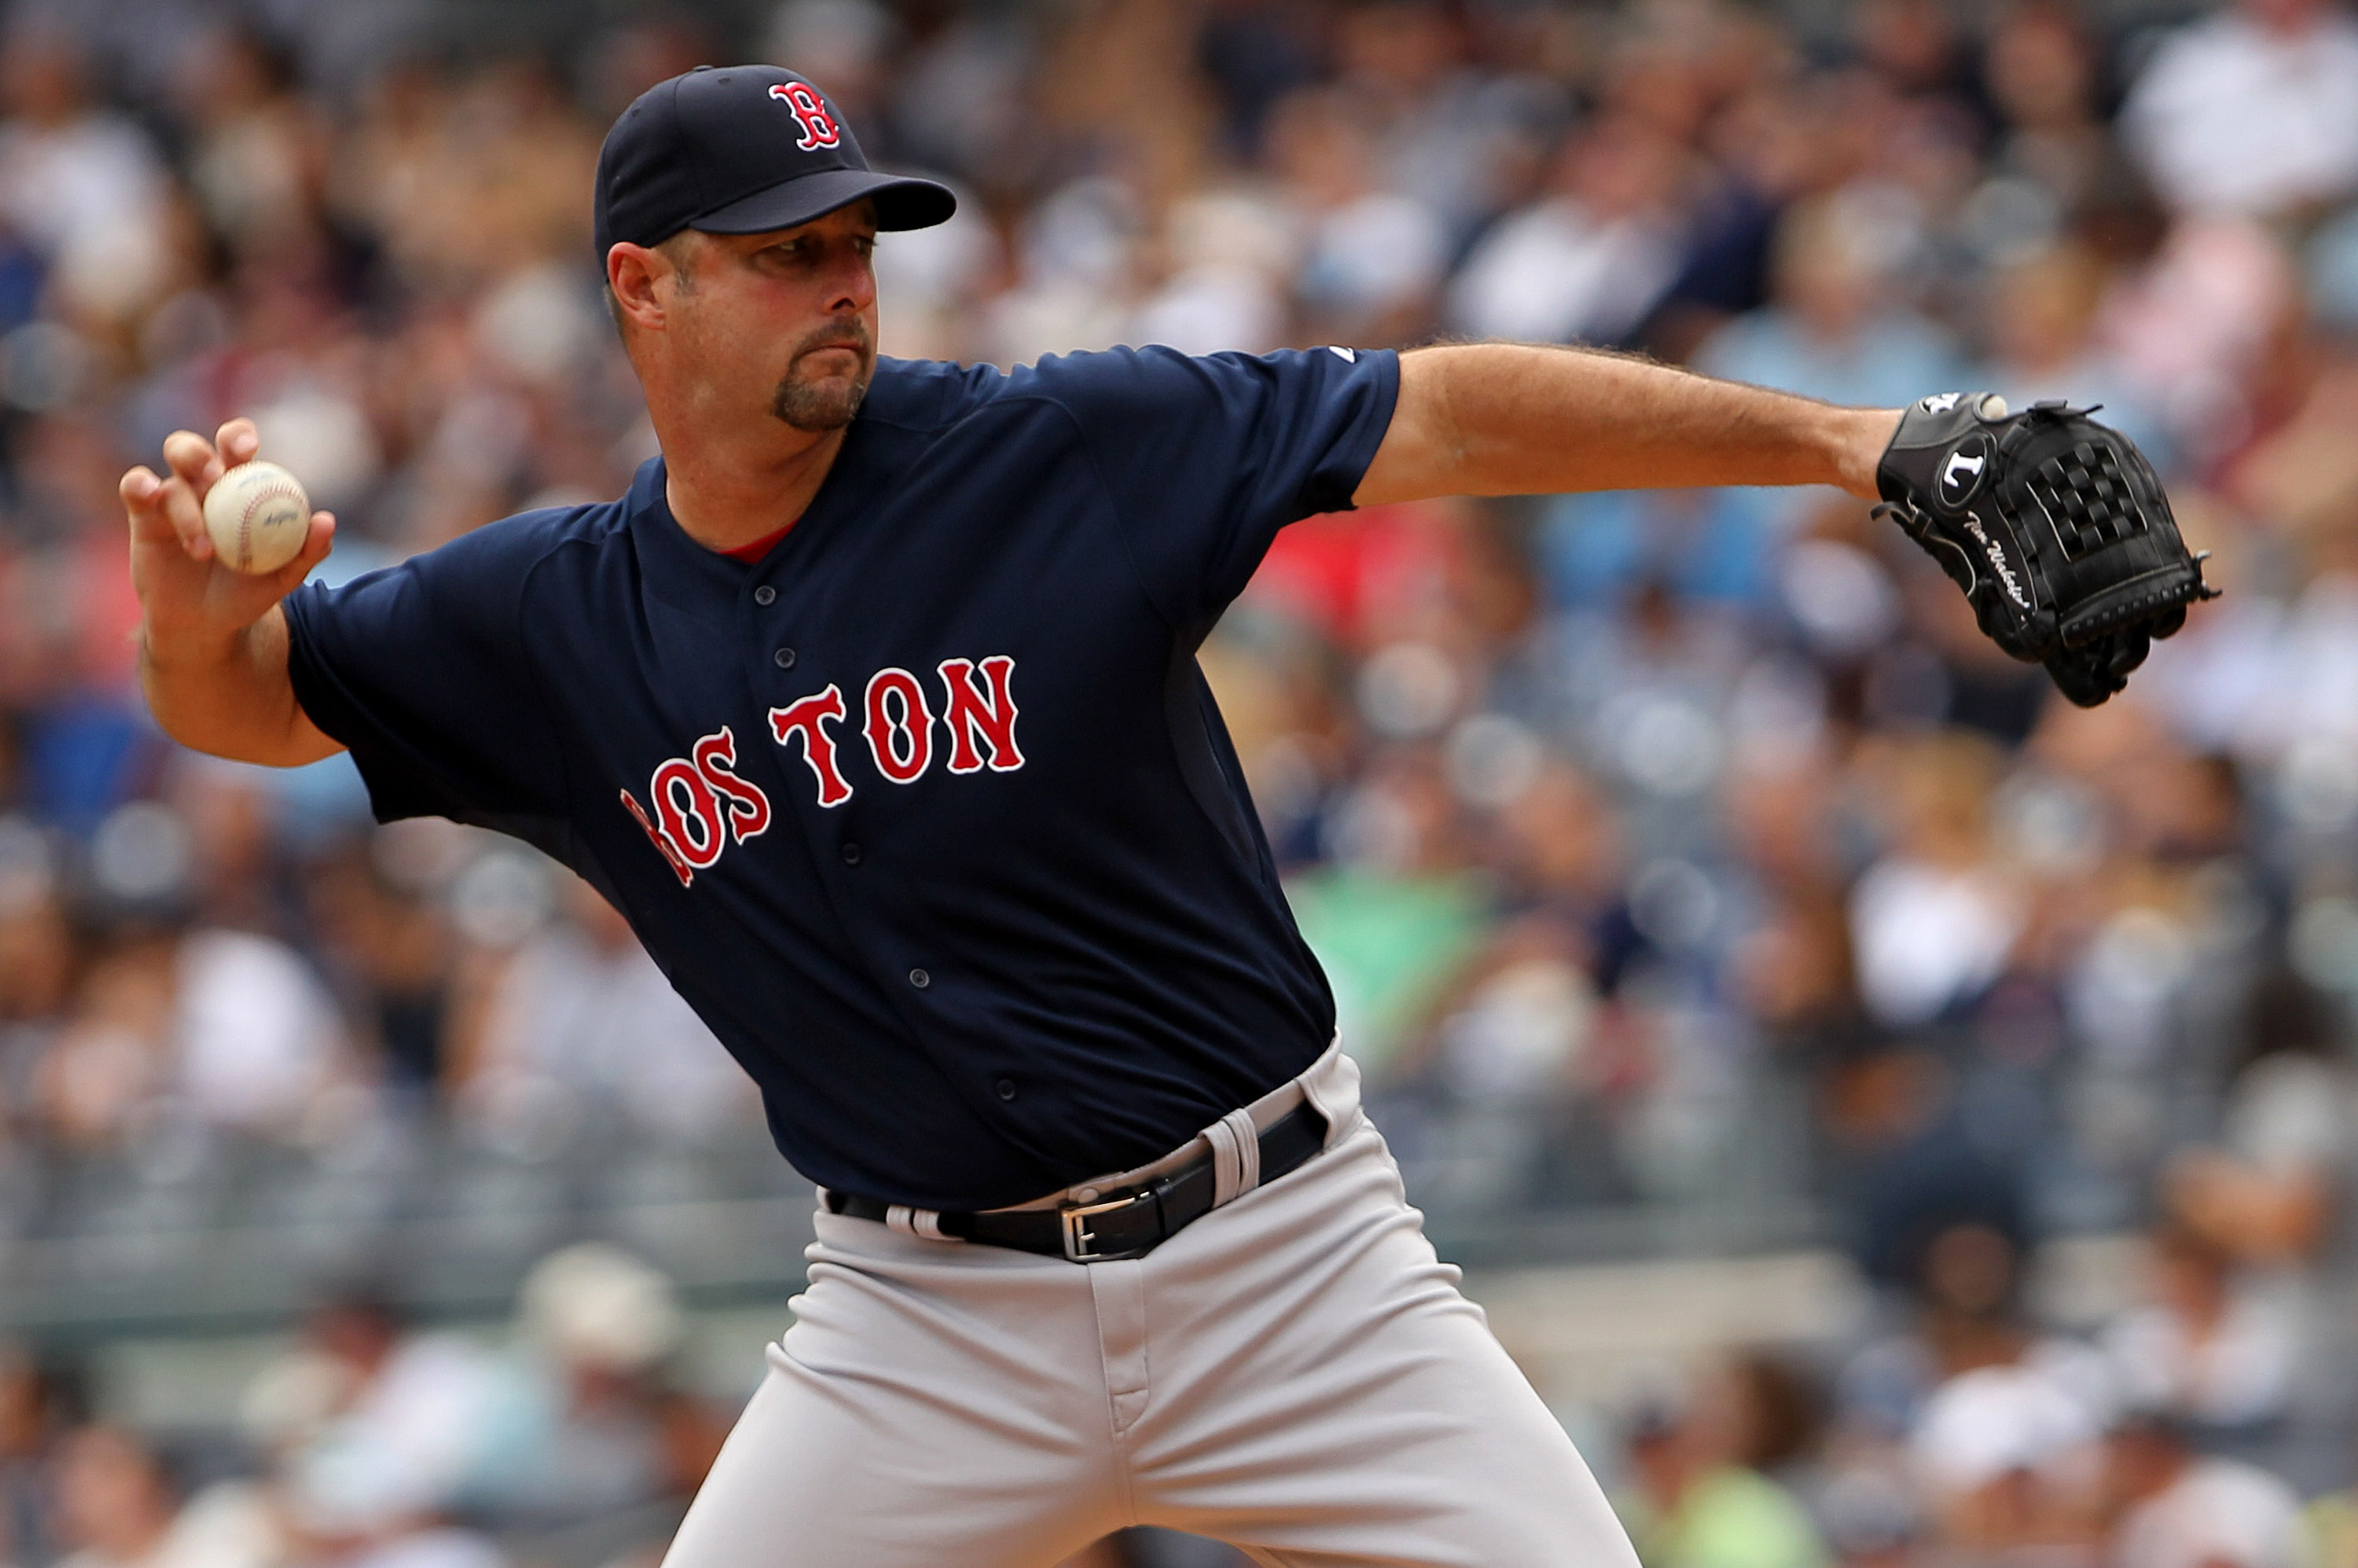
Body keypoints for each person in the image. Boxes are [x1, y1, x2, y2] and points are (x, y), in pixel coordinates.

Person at [119, 63, 1901, 1568]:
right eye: (783, 253)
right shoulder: (546, 622)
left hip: (1285, 1258)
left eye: (855, 245)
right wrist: (192, 628)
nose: (844, 284)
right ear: (641, 289)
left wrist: (1845, 442)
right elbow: (259, 702)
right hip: (921, 1328)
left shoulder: (1059, 450)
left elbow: (1441, 413)